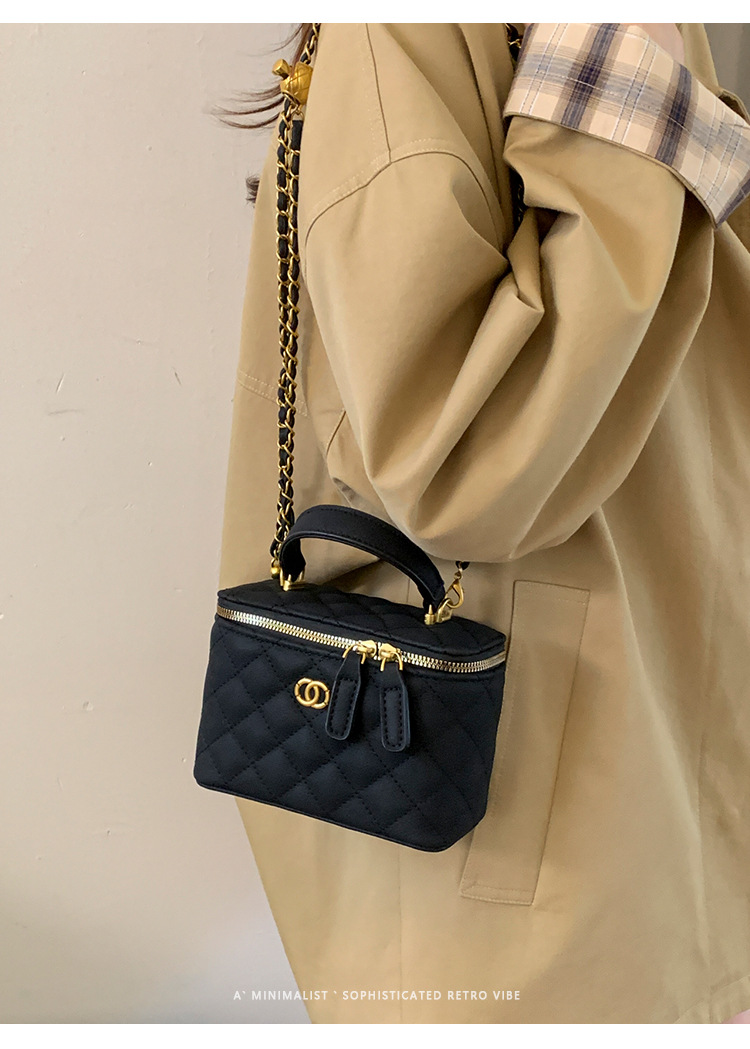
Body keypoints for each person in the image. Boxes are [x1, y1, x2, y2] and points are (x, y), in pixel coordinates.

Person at [213, 23, 750, 1022]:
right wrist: (634, 106)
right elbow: (457, 463)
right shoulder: (407, 32)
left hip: (651, 767)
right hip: (541, 847)